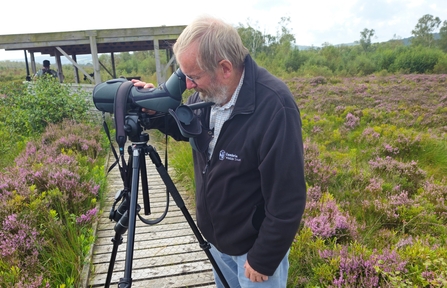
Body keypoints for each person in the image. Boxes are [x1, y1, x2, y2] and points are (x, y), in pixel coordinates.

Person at [133, 15, 306, 288]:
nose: (188, 84)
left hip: (254, 249)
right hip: (216, 240)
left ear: (224, 68)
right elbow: (186, 127)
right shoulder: (208, 93)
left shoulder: (274, 107)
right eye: (184, 76)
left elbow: (288, 197)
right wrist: (153, 111)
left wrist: (264, 257)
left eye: (193, 76)